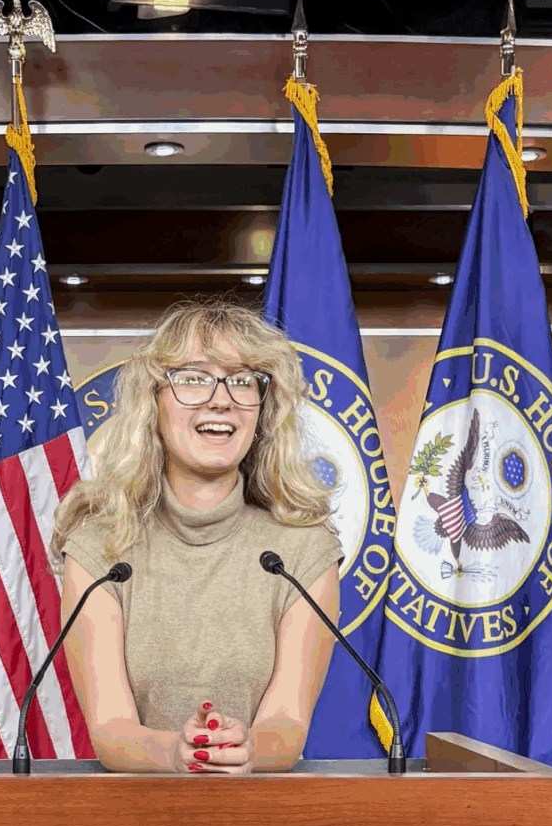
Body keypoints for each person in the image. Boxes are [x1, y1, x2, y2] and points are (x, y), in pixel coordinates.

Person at [53, 297, 341, 775]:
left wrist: (247, 747)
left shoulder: (302, 551)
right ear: (154, 403)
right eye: (193, 378)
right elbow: (111, 728)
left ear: (262, 412)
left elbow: (287, 724)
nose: (221, 398)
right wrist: (178, 753)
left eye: (243, 380)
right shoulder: (98, 547)